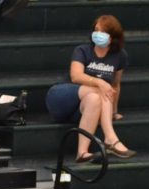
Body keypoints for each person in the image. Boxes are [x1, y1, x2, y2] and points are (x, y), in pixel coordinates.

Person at [45, 15, 135, 162]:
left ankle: (82, 153)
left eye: (102, 31)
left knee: (95, 98)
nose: (97, 33)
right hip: (62, 97)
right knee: (101, 90)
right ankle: (110, 138)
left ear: (112, 37)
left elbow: (115, 85)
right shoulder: (82, 50)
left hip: (82, 109)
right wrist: (99, 82)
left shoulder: (120, 56)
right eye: (96, 30)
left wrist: (114, 111)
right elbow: (76, 76)